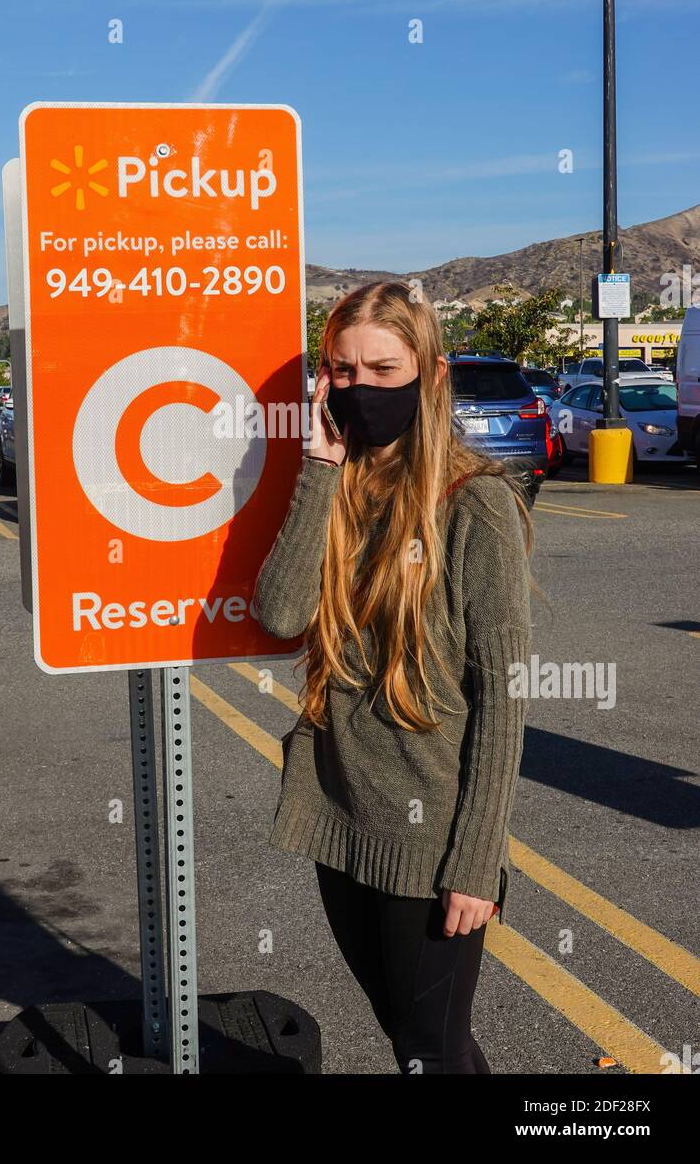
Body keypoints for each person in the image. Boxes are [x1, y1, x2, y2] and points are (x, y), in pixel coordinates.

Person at [252, 281, 533, 1074]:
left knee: (428, 1050)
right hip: (340, 813)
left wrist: (477, 864)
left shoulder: (475, 504)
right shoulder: (335, 484)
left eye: (383, 369)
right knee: (416, 1042)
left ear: (432, 376)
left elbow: (503, 701)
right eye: (343, 372)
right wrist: (319, 466)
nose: (361, 389)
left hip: (430, 834)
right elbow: (279, 614)